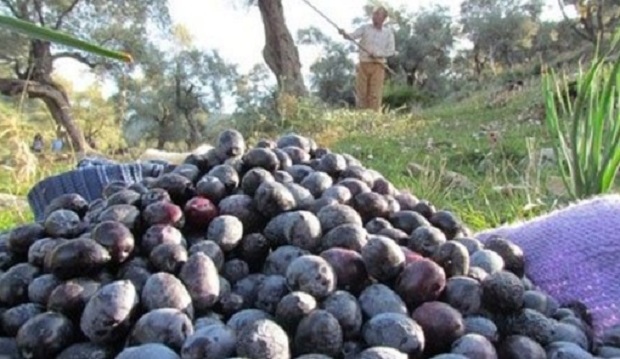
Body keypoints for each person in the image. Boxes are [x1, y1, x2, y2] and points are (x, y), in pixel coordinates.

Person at [339, 6, 396, 112]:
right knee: (362, 93)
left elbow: (391, 51)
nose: (374, 17)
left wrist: (377, 54)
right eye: (374, 14)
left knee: (375, 94)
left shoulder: (388, 33)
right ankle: (361, 116)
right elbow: (352, 36)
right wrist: (345, 34)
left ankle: (373, 117)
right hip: (364, 64)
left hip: (378, 66)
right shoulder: (365, 28)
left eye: (378, 15)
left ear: (384, 18)